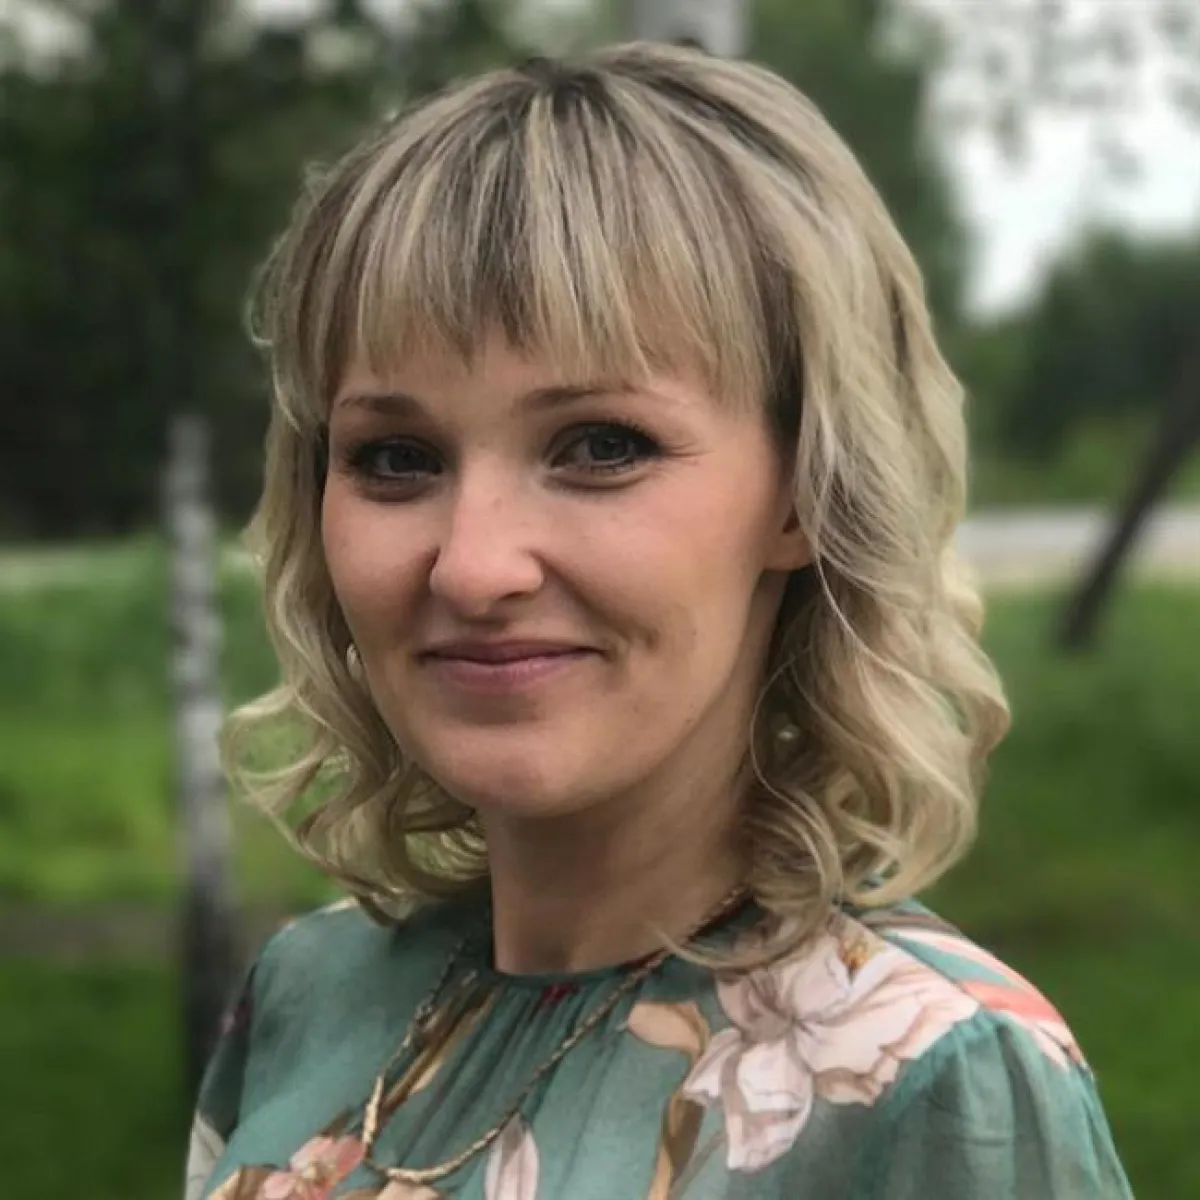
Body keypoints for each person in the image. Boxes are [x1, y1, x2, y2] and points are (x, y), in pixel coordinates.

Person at [186, 41, 1134, 1200]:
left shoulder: (928, 1083)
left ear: (804, 491)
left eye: (599, 446)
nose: (474, 565)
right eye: (396, 458)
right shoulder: (308, 993)